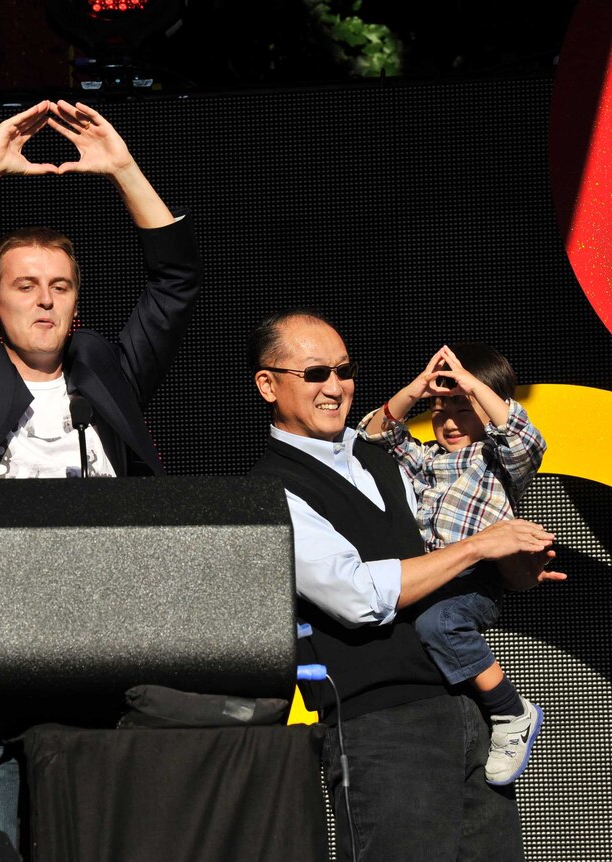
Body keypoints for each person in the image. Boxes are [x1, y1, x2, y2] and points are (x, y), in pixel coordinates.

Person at [0, 100, 202, 848]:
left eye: (59, 285)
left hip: (102, 618)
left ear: (78, 300)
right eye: (25, 285)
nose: (46, 298)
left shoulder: (106, 369)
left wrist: (122, 168)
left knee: (92, 825)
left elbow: (175, 282)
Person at [248, 310, 564, 861]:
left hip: (469, 713)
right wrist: (477, 548)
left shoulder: (383, 452)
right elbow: (357, 596)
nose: (335, 386)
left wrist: (513, 567)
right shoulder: (269, 492)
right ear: (268, 385)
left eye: (343, 371)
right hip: (381, 729)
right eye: (315, 372)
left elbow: (455, 531)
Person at [359, 343, 546, 785]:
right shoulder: (428, 460)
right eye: (440, 410)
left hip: (473, 581)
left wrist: (471, 384)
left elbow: (525, 440)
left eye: (463, 408)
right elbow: (374, 433)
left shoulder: (497, 460)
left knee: (440, 625)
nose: (448, 421)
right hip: (433, 575)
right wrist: (417, 389)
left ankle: (511, 712)